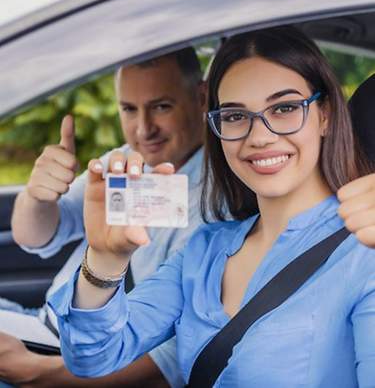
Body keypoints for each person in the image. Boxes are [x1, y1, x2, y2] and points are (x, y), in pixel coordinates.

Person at [49, 26, 375, 387]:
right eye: (236, 116)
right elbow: (93, 358)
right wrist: (105, 259)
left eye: (284, 108)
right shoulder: (204, 250)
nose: (260, 136)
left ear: (325, 114)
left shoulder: (365, 252)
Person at [0, 48, 206, 387]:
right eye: (129, 109)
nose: (144, 129)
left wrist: (34, 372)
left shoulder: (218, 203)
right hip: (42, 328)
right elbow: (36, 236)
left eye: (161, 106)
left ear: (201, 97)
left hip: (66, 365)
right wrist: (38, 196)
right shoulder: (123, 160)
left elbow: (170, 360)